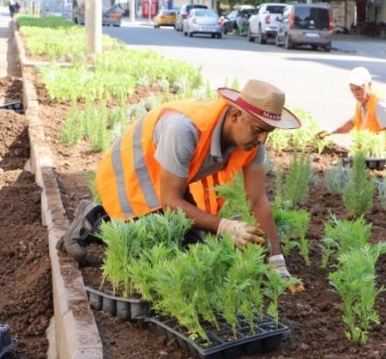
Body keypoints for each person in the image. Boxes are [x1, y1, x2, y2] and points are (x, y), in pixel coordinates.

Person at [59, 79, 304, 288]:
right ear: (235, 115)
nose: (262, 140)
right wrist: (226, 227)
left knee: (191, 249)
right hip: (131, 172)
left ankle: (112, 220)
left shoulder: (252, 140)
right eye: (259, 130)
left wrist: (276, 261)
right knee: (148, 247)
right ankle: (97, 220)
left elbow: (258, 200)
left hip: (172, 177)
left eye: (268, 133)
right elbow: (171, 202)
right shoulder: (183, 129)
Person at [317, 66, 386, 147]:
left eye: (359, 89)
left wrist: (374, 148)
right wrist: (332, 130)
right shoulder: (362, 102)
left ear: (369, 84)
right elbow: (353, 123)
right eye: (352, 90)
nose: (356, 94)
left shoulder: (379, 104)